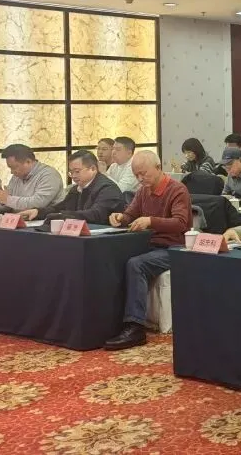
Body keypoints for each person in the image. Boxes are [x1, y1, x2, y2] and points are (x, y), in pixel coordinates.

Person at [105, 151, 192, 350]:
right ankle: (110, 319)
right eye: (136, 174)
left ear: (158, 168)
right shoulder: (143, 190)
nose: (140, 178)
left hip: (174, 247)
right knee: (112, 256)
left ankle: (135, 326)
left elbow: (180, 223)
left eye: (143, 173)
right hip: (148, 244)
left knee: (136, 264)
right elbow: (130, 214)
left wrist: (151, 221)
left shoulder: (177, 190)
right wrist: (120, 217)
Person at [16, 150, 124, 225]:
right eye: (71, 172)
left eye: (77, 171)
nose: (73, 176)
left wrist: (62, 215)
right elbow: (60, 208)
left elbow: (96, 214)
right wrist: (38, 212)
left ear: (93, 169)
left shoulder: (107, 188)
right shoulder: (76, 189)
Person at [0, 144, 65, 212]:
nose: (12, 172)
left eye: (14, 167)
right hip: (18, 220)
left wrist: (7, 199)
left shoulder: (49, 175)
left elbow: (38, 204)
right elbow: (7, 206)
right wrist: (0, 199)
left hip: (43, 221)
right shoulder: (16, 176)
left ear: (28, 161)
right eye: (10, 168)